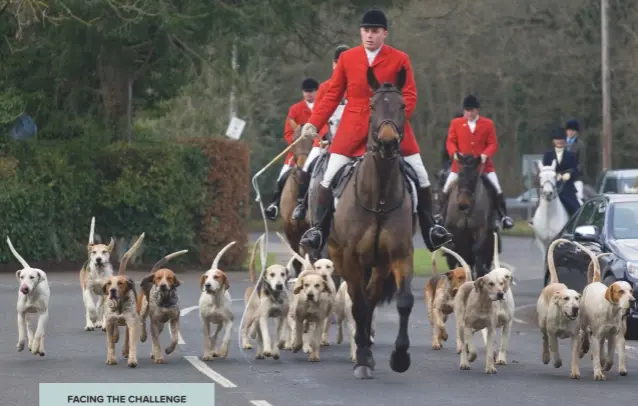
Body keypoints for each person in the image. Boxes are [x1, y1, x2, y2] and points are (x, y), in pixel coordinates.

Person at [297, 8, 453, 252]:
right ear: (361, 32)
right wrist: (313, 123)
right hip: (353, 128)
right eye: (366, 31)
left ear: (385, 34)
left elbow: (409, 94)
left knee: (422, 176)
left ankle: (431, 228)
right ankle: (318, 230)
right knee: (328, 178)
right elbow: (332, 96)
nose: (369, 35)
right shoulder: (348, 58)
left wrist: (395, 121)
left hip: (392, 130)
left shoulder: (399, 58)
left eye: (375, 31)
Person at [291, 45, 350, 221]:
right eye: (340, 63)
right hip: (326, 141)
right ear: (334, 64)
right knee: (307, 166)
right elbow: (319, 114)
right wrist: (324, 136)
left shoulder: (357, 88)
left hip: (351, 141)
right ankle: (302, 203)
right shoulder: (324, 88)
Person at [437, 95, 514, 230]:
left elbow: (493, 144)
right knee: (446, 188)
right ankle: (439, 215)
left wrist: (485, 154)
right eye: (467, 111)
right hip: (460, 166)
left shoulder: (488, 124)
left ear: (477, 110)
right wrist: (454, 153)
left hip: (483, 167)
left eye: (472, 111)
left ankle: (503, 217)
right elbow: (450, 141)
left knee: (497, 188)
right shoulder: (456, 123)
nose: (469, 114)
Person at [263, 77, 319, 221]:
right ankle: (274, 205)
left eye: (312, 91)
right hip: (297, 151)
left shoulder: (322, 107)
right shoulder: (295, 109)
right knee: (282, 175)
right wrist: (297, 143)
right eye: (306, 91)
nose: (309, 94)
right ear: (302, 93)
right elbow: (288, 133)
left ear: (317, 92)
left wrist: (316, 142)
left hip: (317, 149)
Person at [528, 132, 581, 225]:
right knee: (541, 201)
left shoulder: (570, 155)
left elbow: (575, 169)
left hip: (566, 186)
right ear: (553, 141)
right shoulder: (548, 155)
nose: (559, 141)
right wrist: (555, 175)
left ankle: (578, 222)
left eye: (561, 139)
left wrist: (569, 174)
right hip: (551, 184)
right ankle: (535, 219)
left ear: (564, 141)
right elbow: (545, 169)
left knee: (574, 206)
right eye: (557, 139)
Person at [564, 119, 586, 201]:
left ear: (576, 132)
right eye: (568, 130)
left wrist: (571, 174)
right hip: (562, 177)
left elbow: (581, 163)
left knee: (579, 196)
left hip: (576, 178)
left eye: (572, 130)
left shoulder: (580, 145)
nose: (570, 132)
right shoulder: (561, 143)